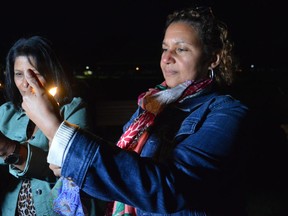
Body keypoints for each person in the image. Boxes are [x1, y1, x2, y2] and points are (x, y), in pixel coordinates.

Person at [22, 6, 250, 216]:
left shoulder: (227, 113)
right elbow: (123, 168)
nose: (166, 58)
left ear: (213, 58)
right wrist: (71, 160)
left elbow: (167, 190)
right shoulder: (153, 104)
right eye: (164, 48)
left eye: (181, 49)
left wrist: (56, 130)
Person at [0, 35, 100, 215]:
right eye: (19, 74)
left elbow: (72, 167)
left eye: (35, 73)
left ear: (52, 72)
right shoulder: (6, 113)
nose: (25, 83)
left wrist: (9, 149)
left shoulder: (73, 110)